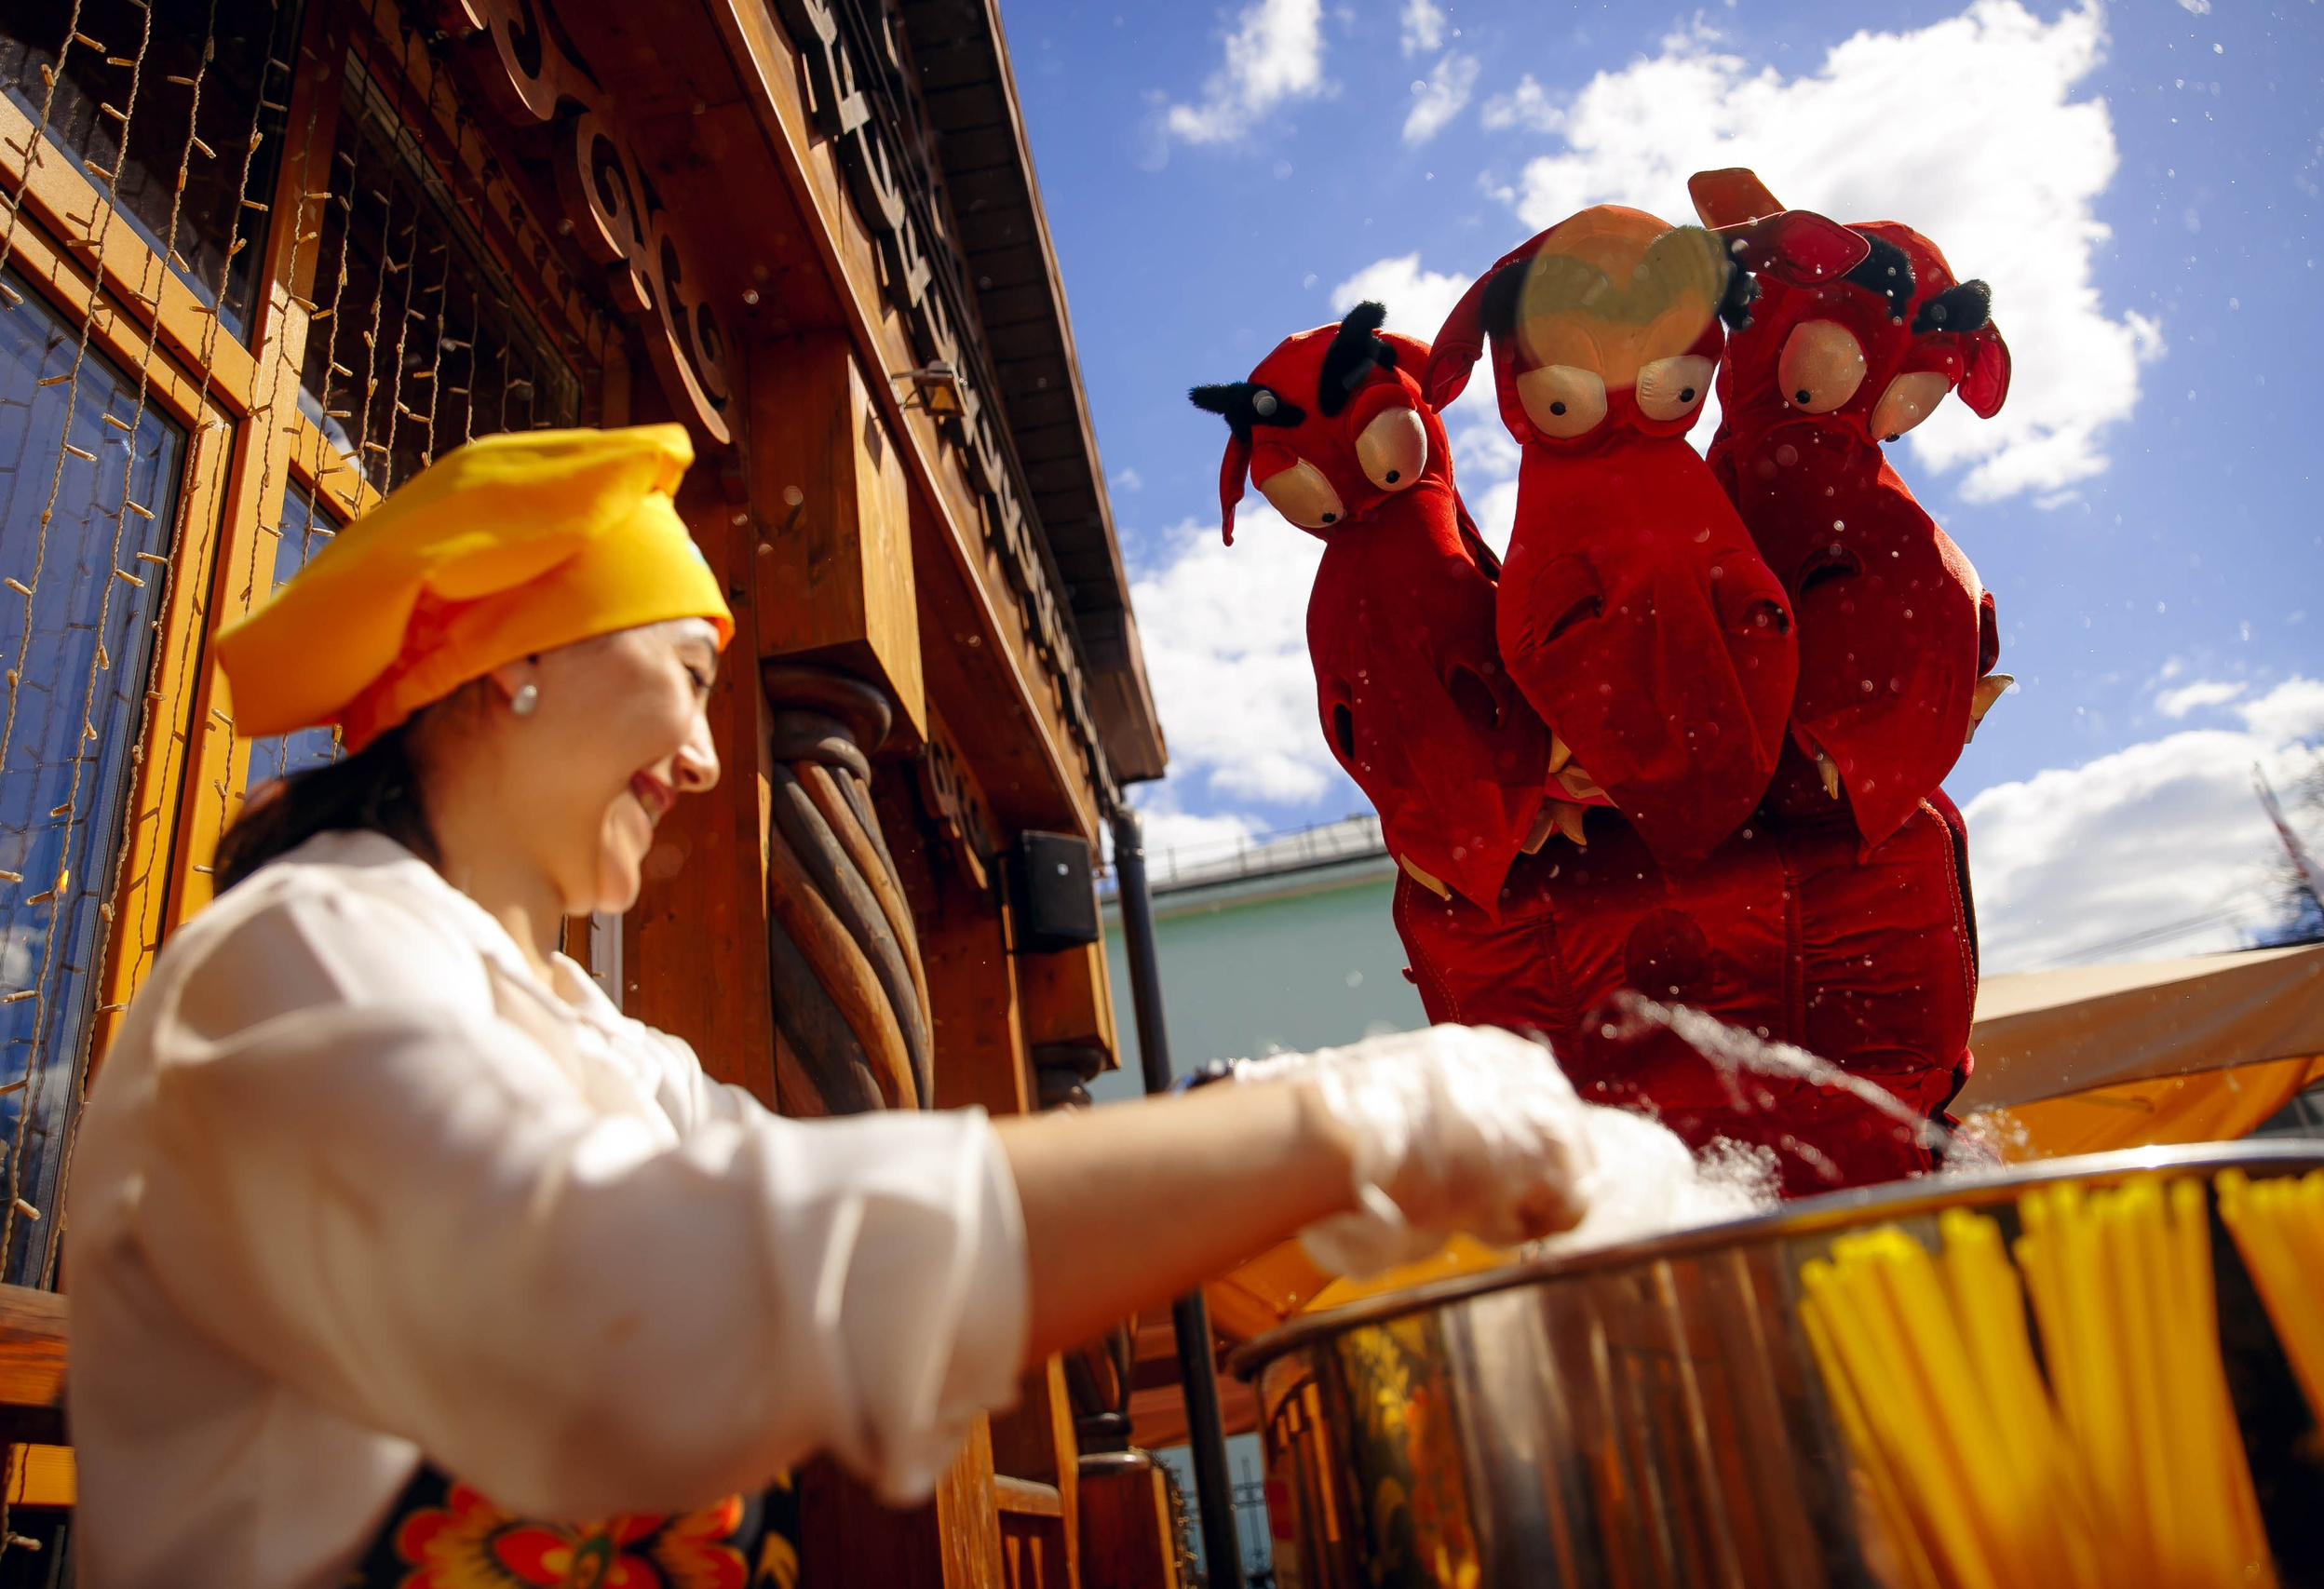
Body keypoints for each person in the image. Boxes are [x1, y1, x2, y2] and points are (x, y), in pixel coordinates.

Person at [65, 424, 1601, 1588]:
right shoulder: (303, 957)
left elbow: (833, 1246)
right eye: (682, 674)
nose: (705, 762)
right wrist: (1337, 1128)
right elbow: (628, 1293)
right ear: (514, 668)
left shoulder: (615, 1055)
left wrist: (1299, 1177)